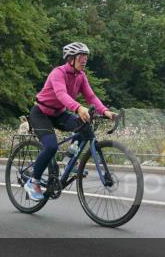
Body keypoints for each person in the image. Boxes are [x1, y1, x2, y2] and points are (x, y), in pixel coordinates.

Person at [22, 42, 115, 200]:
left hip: (58, 113)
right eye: (81, 57)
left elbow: (91, 96)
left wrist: (105, 111)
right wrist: (78, 108)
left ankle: (69, 160)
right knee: (51, 146)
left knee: (85, 127)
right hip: (41, 113)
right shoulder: (58, 73)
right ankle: (33, 181)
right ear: (71, 59)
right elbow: (61, 94)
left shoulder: (81, 76)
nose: (84, 60)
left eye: (86, 57)